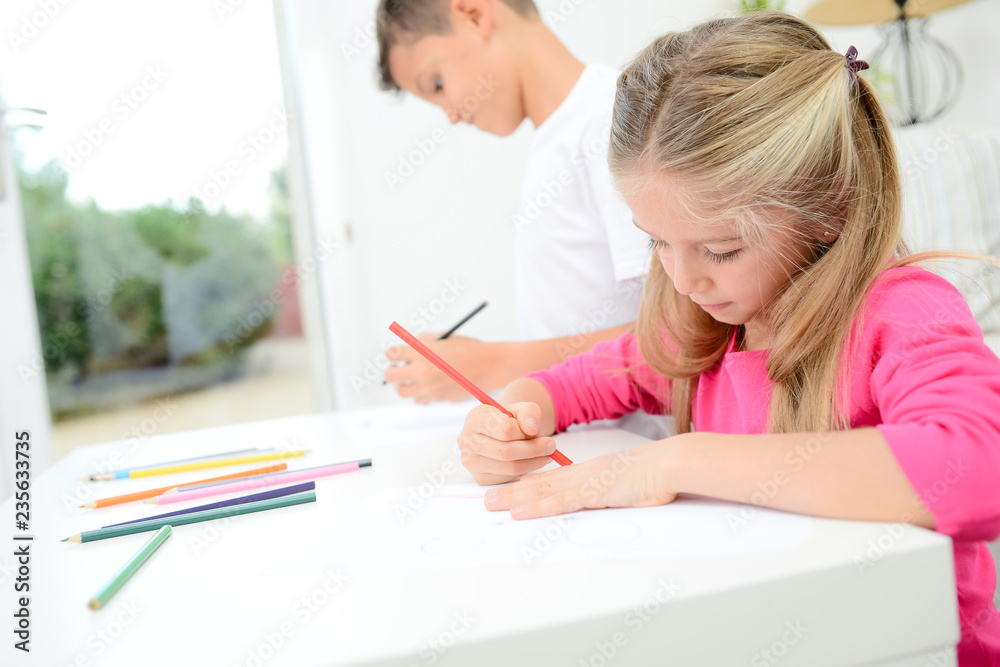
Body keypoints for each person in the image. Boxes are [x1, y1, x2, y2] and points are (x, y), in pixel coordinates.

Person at [457, 12, 1000, 664]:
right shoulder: (704, 331)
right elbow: (575, 382)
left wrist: (678, 460)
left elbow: (978, 469)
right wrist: (518, 411)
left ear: (830, 203)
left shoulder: (904, 313)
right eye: (657, 240)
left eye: (719, 249)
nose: (684, 280)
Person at [375, 0, 652, 408]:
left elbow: (675, 334)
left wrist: (491, 363)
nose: (450, 114)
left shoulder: (611, 122)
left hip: (632, 448)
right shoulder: (554, 142)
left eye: (436, 84)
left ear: (473, 14)